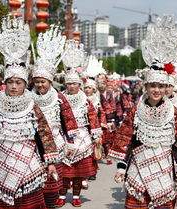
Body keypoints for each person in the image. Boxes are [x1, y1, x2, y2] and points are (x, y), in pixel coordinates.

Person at [109, 15, 177, 209]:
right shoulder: (136, 110)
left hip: (164, 164)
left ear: (166, 88)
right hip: (139, 163)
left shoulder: (173, 111)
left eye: (160, 86)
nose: (156, 90)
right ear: (145, 86)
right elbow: (126, 139)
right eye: (152, 85)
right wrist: (121, 167)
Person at [0, 16, 59, 208]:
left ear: (25, 84)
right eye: (10, 82)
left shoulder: (32, 107)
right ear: (5, 83)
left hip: (28, 161)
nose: (14, 87)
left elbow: (44, 135)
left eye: (18, 83)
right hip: (2, 160)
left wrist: (50, 162)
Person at [56, 40, 102, 207]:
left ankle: (76, 196)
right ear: (65, 84)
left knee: (77, 172)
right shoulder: (59, 98)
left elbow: (93, 118)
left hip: (82, 137)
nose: (71, 86)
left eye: (74, 83)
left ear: (79, 84)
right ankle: (61, 195)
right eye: (68, 83)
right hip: (63, 137)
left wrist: (96, 136)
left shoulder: (86, 100)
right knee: (63, 171)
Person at [32, 25, 68, 209]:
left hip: (55, 141)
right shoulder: (28, 98)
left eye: (43, 81)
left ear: (49, 81)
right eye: (37, 81)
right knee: (36, 185)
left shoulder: (59, 97)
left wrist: (71, 137)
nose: (40, 85)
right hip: (34, 145)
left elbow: (67, 119)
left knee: (52, 183)